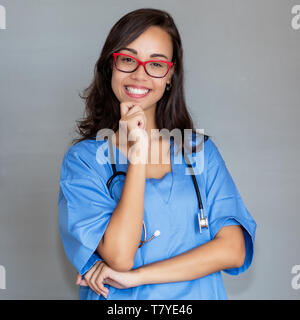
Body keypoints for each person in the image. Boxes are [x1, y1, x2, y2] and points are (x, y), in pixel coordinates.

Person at [58, 8, 257, 300]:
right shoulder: (84, 161)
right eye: (127, 59)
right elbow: (120, 257)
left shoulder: (199, 154)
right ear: (110, 67)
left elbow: (234, 249)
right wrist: (137, 155)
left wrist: (137, 278)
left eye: (156, 64)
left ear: (170, 76)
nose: (140, 74)